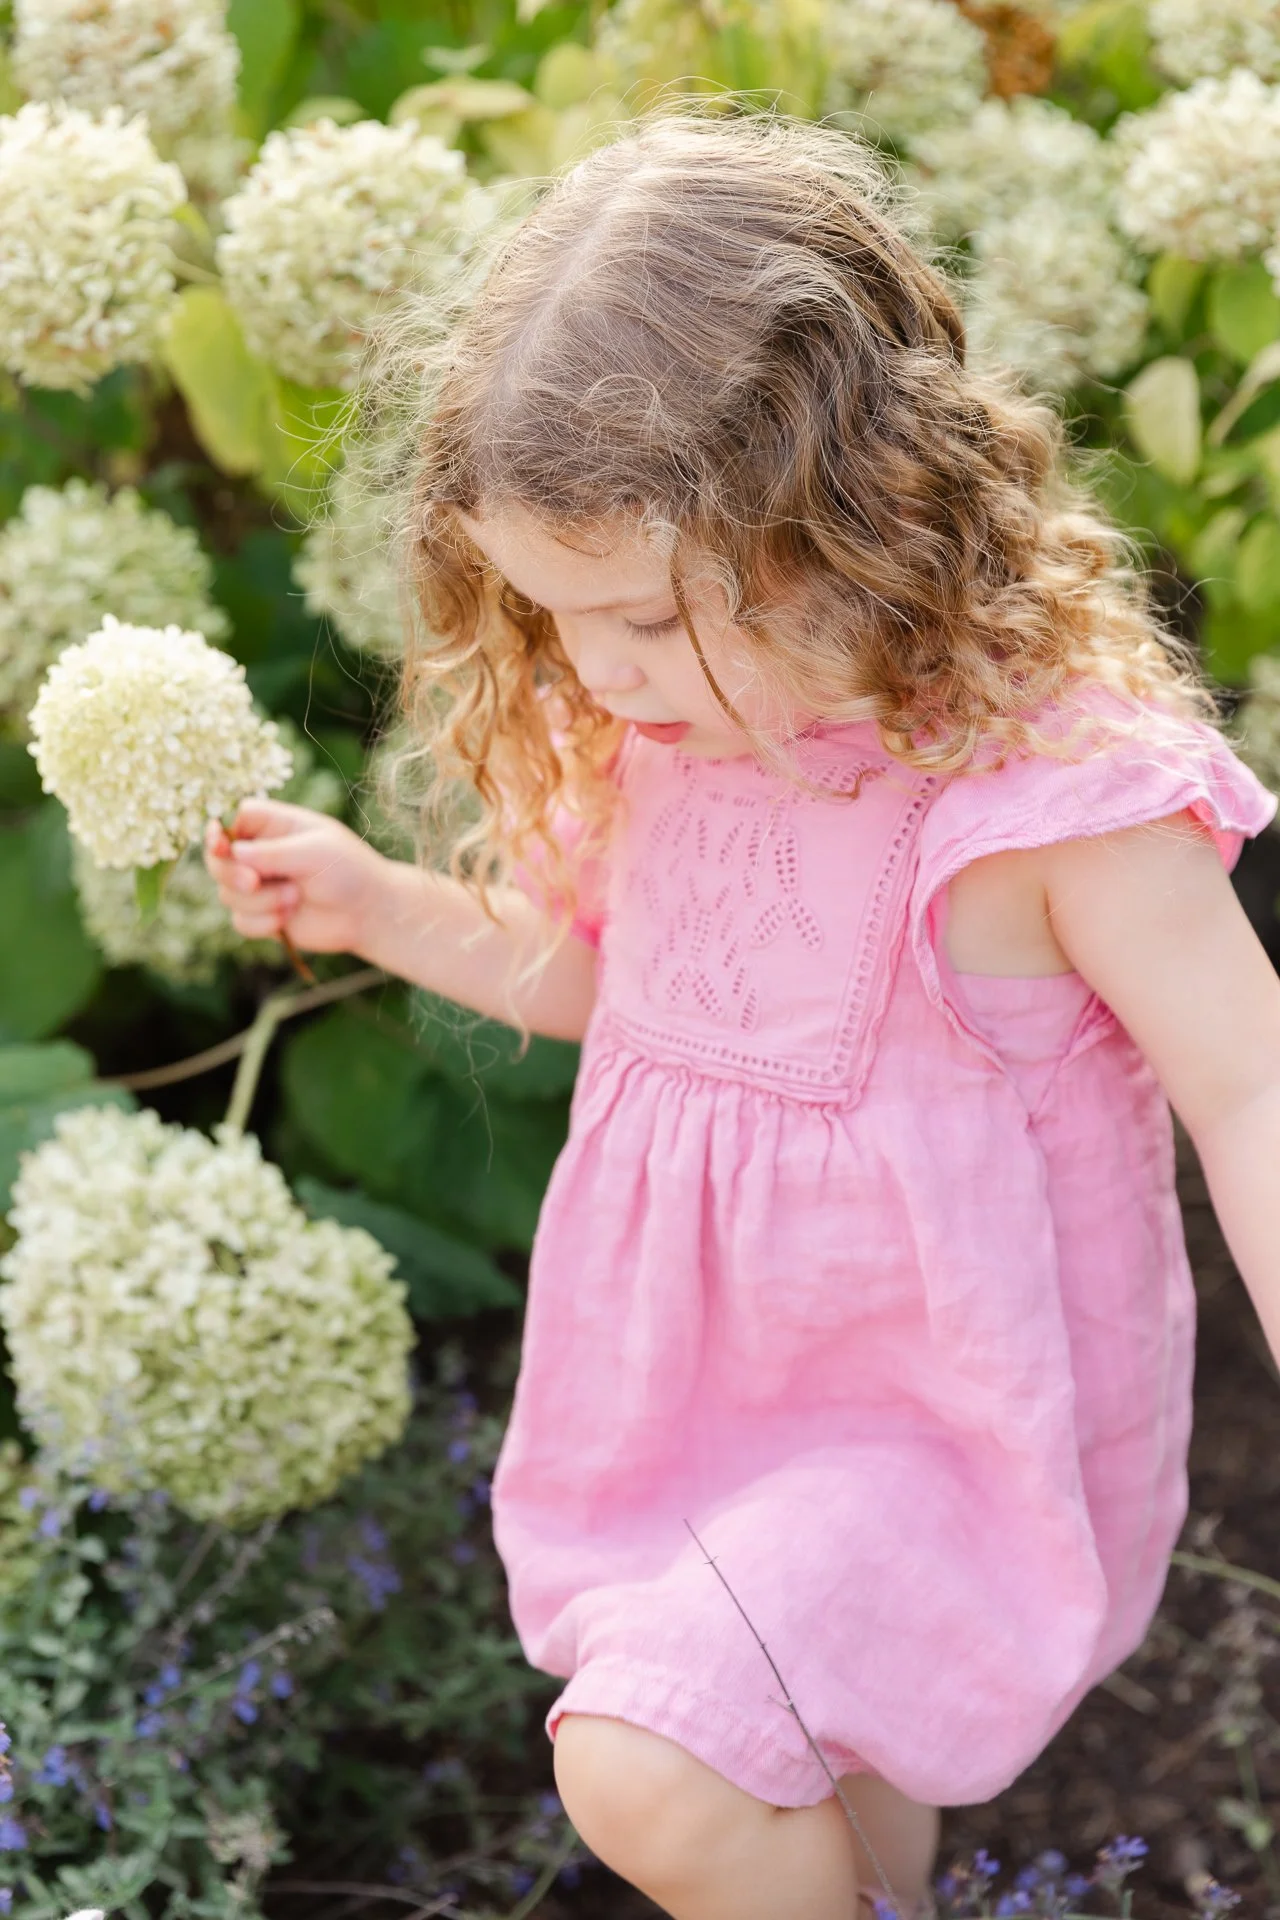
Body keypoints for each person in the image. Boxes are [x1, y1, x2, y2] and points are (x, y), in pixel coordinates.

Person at [205, 111, 1280, 1920]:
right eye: (558, 625)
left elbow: (1248, 1078)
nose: (603, 674)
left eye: (641, 618)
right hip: (700, 1400)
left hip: (945, 1429)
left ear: (842, 520)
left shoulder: (1041, 793)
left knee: (651, 1765)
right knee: (817, 1778)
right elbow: (641, 1002)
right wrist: (389, 911)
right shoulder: (659, 741)